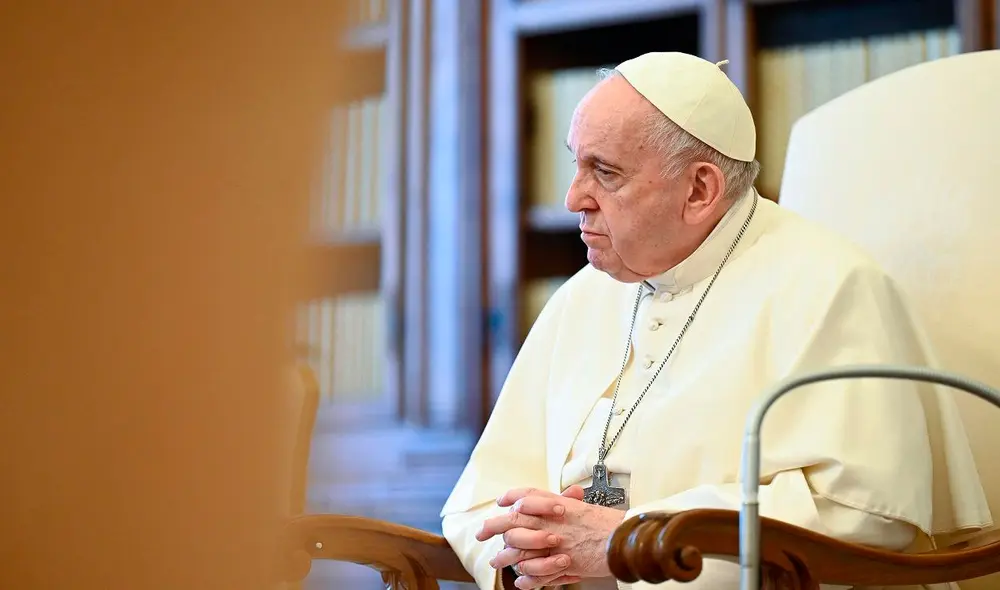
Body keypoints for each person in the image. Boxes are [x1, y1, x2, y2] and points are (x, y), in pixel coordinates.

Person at [439, 52, 992, 590]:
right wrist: (526, 557)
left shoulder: (831, 286)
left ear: (700, 190)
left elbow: (864, 513)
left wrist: (628, 541)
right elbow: (482, 498)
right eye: (576, 163)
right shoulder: (582, 297)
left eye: (604, 172)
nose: (572, 198)